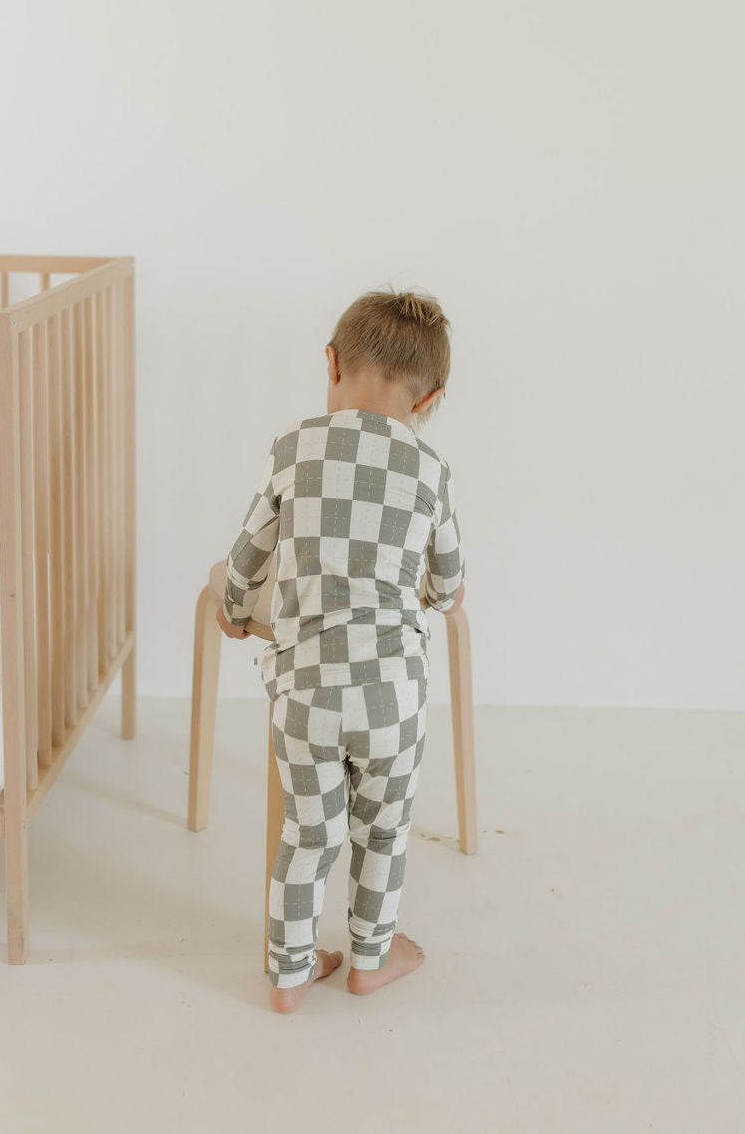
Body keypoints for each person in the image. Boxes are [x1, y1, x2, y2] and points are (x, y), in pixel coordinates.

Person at [218, 287, 467, 1014]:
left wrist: (236, 611)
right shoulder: (432, 472)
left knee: (308, 832)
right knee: (382, 829)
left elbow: (249, 554)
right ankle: (370, 959)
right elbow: (448, 586)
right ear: (432, 397)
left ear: (331, 362)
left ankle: (290, 974)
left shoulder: (293, 445)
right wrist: (436, 594)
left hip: (306, 693)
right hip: (394, 697)